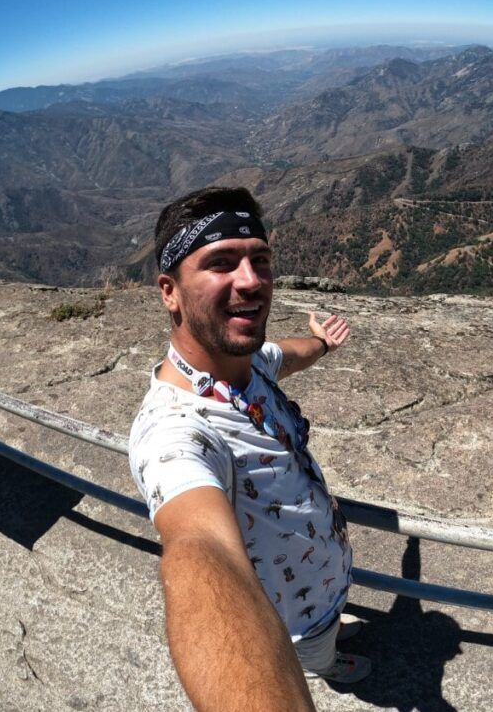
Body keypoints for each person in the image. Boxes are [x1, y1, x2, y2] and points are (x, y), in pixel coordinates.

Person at [128, 186, 369, 711]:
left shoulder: (246, 363)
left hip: (322, 574)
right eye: (221, 262)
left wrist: (324, 344)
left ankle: (331, 624)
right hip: (292, 615)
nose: (252, 280)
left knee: (332, 617)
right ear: (169, 291)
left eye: (260, 259)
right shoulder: (174, 432)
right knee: (317, 650)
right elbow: (197, 548)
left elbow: (288, 354)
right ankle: (326, 662)